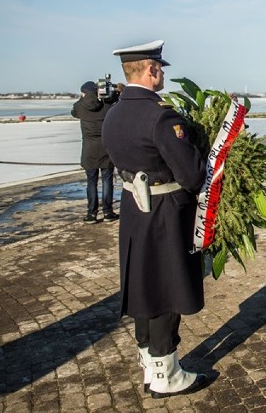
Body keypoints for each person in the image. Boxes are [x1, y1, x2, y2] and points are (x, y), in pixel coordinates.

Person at [101, 40, 208, 398]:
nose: (161, 74)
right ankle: (166, 373)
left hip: (134, 207)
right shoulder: (160, 115)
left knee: (143, 283)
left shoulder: (114, 112)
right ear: (151, 70)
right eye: (160, 68)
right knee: (165, 286)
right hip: (164, 211)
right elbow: (192, 175)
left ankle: (149, 359)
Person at [71, 80, 118, 223]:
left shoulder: (80, 106)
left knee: (91, 182)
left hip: (89, 150)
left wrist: (82, 99)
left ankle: (91, 213)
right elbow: (116, 104)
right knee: (107, 180)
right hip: (105, 148)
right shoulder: (107, 105)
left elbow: (74, 112)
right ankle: (108, 212)